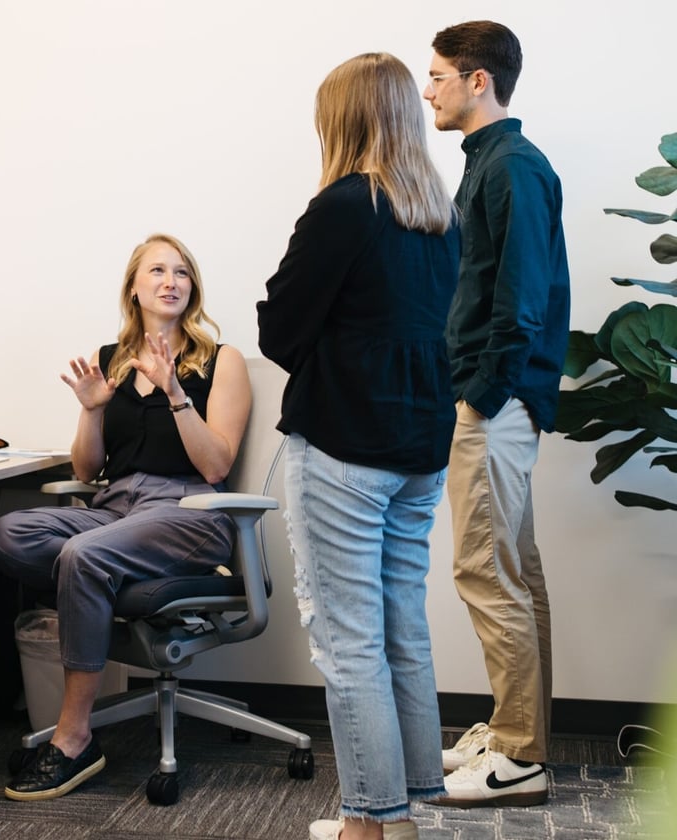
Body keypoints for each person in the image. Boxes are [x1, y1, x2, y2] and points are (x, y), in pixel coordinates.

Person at [257, 52, 461, 840]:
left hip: (345, 446)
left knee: (348, 642)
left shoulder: (345, 204)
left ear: (341, 121)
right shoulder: (440, 217)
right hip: (419, 448)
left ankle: (366, 823)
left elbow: (280, 328)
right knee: (400, 626)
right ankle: (403, 809)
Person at [0, 233, 251, 801]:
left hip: (189, 510)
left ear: (193, 286)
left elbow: (216, 466)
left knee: (83, 556)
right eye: (157, 270)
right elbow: (88, 470)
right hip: (115, 509)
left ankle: (74, 738)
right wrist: (91, 412)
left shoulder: (220, 360)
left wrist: (176, 393)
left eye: (182, 272)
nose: (171, 281)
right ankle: (99, 574)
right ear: (134, 287)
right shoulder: (111, 360)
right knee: (11, 533)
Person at [423, 21, 571, 807]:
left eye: (439, 75)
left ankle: (518, 755)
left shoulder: (511, 166)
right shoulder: (491, 162)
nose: (428, 91)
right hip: (502, 399)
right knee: (514, 570)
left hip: (496, 402)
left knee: (485, 569)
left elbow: (521, 296)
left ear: (478, 80)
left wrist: (482, 395)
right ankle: (522, 734)